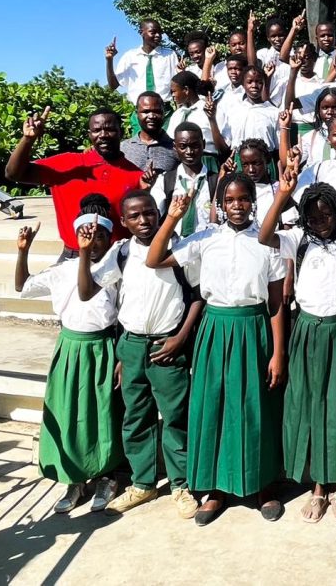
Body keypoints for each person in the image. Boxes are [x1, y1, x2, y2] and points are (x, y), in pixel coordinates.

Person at [145, 172, 288, 525]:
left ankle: (263, 485)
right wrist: (173, 218)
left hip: (253, 327)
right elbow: (154, 259)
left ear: (253, 201)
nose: (237, 206)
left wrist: (278, 352)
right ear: (220, 204)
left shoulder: (268, 241)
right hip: (215, 328)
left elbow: (276, 303)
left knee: (255, 407)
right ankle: (216, 489)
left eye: (243, 199)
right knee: (215, 406)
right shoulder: (205, 238)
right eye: (229, 200)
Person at [259, 170, 336, 523]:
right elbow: (264, 235)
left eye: (326, 215)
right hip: (308, 332)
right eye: (312, 216)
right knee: (311, 407)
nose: (319, 221)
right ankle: (318, 487)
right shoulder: (298, 240)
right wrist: (283, 195)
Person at [79, 190, 202, 519]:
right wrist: (84, 253)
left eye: (149, 212)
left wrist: (180, 337)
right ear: (124, 221)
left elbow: (197, 295)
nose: (144, 220)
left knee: (175, 417)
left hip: (167, 346)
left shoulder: (180, 248)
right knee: (136, 417)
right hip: (132, 345)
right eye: (134, 216)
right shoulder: (121, 253)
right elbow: (87, 291)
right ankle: (143, 483)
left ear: (158, 213)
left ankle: (181, 485)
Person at [15, 196, 122, 513]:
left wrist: (120, 357)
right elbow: (23, 286)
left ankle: (106, 476)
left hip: (102, 347)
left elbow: (99, 298)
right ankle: (74, 478)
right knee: (69, 412)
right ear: (75, 237)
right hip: (70, 348)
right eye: (86, 235)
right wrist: (23, 252)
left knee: (102, 413)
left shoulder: (112, 270)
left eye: (100, 236)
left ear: (109, 238)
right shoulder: (62, 270)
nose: (93, 241)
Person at [5, 107, 142, 259]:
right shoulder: (66, 164)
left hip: (117, 257)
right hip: (72, 257)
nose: (103, 135)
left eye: (110, 129)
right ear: (89, 135)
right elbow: (13, 173)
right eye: (97, 130)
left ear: (121, 132)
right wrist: (28, 139)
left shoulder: (136, 175)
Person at [150, 123, 215, 237]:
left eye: (195, 145)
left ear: (203, 144)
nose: (189, 151)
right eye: (183, 146)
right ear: (175, 147)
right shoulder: (165, 181)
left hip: (207, 242)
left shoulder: (215, 181)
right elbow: (154, 216)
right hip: (176, 244)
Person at [104, 19, 176, 109]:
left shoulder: (170, 55)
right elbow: (113, 85)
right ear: (141, 32)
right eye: (153, 32)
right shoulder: (130, 56)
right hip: (139, 110)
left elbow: (177, 84)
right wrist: (109, 60)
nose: (158, 35)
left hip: (164, 109)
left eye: (160, 33)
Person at [120, 92, 178, 175]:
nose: (151, 116)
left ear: (164, 113)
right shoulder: (123, 148)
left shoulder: (176, 148)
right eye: (146, 111)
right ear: (136, 113)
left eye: (157, 111)